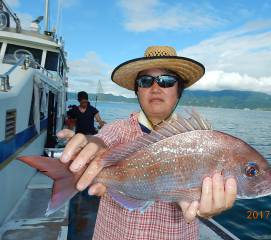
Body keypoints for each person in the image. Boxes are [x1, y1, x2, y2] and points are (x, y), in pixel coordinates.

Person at [58, 46, 237, 239]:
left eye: (167, 81)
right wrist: (95, 145)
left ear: (179, 92)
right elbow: (103, 139)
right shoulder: (119, 129)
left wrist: (206, 203)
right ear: (137, 91)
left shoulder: (200, 141)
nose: (155, 88)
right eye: (145, 81)